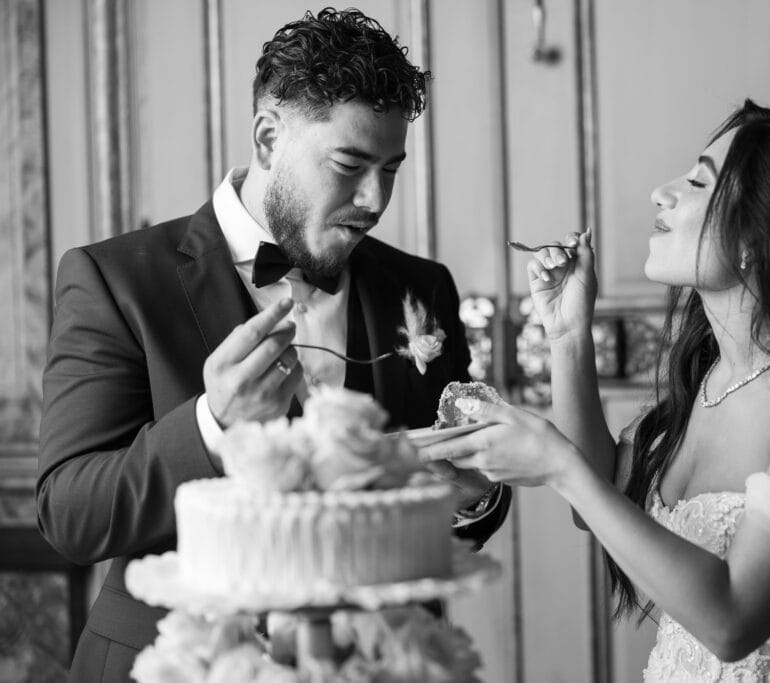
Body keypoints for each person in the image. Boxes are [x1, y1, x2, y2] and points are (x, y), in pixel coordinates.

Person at [37, 9, 509, 682]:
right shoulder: (115, 280)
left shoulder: (421, 287)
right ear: (266, 138)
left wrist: (469, 494)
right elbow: (70, 513)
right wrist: (212, 424)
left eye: (391, 168)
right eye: (349, 164)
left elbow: (458, 511)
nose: (375, 199)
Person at [426, 100, 770, 681]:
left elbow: (732, 621)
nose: (661, 192)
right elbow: (602, 505)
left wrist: (556, 465)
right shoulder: (714, 379)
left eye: (698, 181)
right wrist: (569, 335)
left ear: (758, 234)